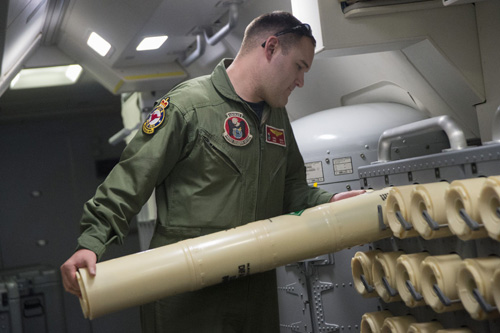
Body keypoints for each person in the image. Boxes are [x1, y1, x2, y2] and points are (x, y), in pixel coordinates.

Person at [60, 11, 364, 332]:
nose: (301, 80)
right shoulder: (189, 106)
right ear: (271, 48)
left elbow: (293, 191)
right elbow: (130, 181)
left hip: (254, 286)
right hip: (186, 288)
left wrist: (331, 202)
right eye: (299, 66)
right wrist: (91, 243)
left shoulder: (277, 118)